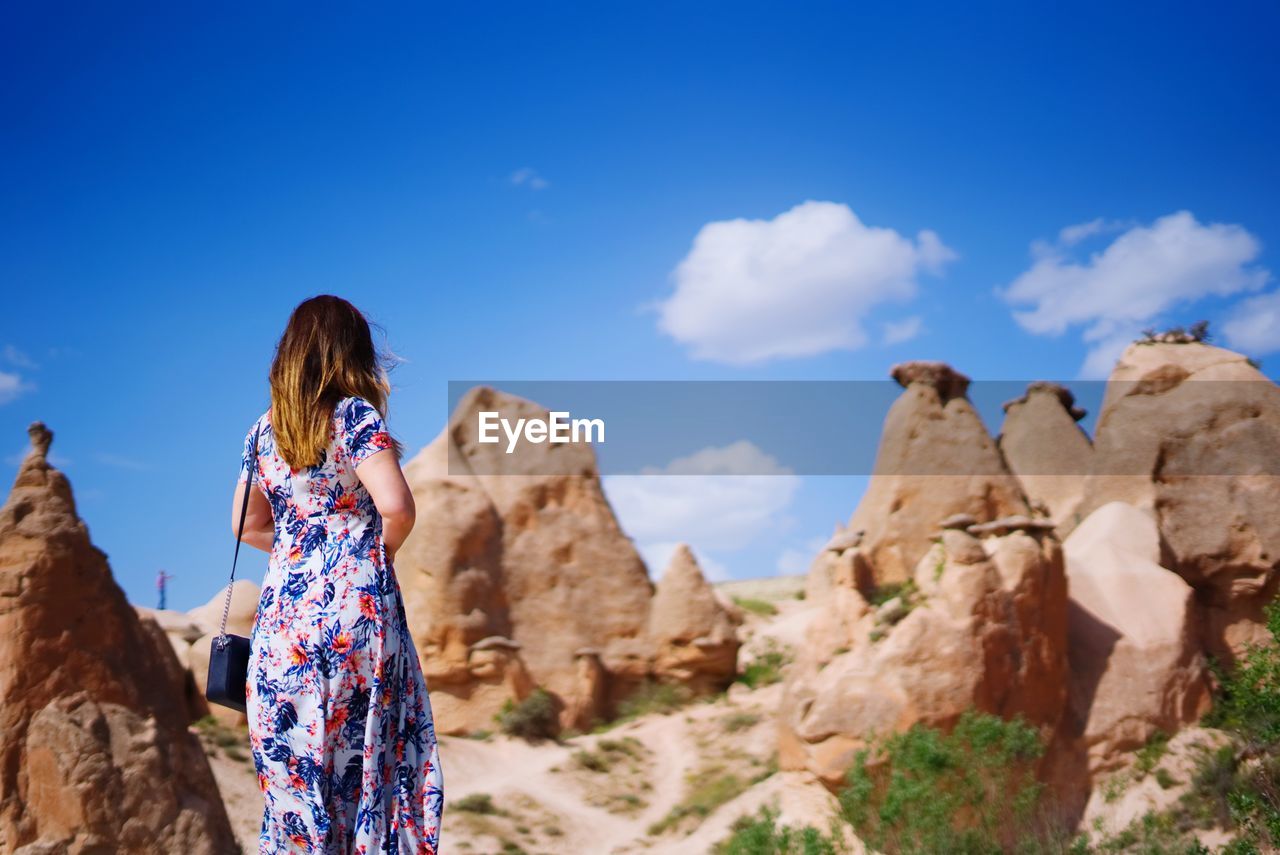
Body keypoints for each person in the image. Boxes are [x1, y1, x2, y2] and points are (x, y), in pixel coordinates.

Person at [232, 295, 443, 853]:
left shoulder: (262, 432)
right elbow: (397, 507)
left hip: (283, 628)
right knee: (371, 769)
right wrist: (375, 552)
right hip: (356, 611)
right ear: (351, 353)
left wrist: (302, 548)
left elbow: (245, 525)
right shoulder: (352, 415)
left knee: (299, 787)